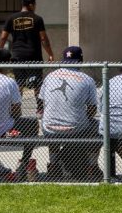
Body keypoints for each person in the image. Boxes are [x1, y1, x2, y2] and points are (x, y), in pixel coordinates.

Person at [40, 46, 100, 180]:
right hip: (76, 128)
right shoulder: (87, 79)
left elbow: (43, 102)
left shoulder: (50, 76)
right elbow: (92, 109)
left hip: (48, 127)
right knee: (99, 126)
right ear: (81, 60)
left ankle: (53, 164)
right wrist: (80, 117)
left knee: (51, 125)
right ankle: (92, 166)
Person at [0, 0, 54, 91]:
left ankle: (17, 106)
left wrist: (0, 51)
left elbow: (3, 37)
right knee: (36, 84)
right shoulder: (37, 19)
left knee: (19, 84)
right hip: (34, 56)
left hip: (17, 56)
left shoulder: (11, 18)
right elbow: (44, 38)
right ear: (31, 5)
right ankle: (39, 106)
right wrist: (50, 54)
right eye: (35, 5)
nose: (35, 7)